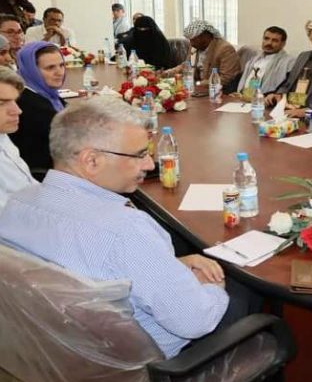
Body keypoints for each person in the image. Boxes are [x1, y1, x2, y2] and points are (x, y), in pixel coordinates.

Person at [0, 98, 230, 358]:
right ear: (92, 161)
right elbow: (196, 321)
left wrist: (169, 264)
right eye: (139, 154)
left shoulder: (17, 203)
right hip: (147, 360)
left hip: (53, 349)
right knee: (243, 291)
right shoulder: (124, 230)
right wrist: (214, 284)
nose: (149, 164)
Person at [9, 42, 66, 170]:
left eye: (61, 65)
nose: (60, 72)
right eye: (50, 68)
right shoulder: (30, 104)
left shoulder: (47, 94)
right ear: (31, 71)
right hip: (45, 172)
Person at [170, 19, 241, 94]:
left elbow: (226, 78)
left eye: (194, 40)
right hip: (198, 90)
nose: (191, 43)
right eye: (190, 40)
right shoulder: (195, 46)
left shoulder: (225, 49)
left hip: (219, 93)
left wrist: (198, 84)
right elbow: (187, 65)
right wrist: (167, 73)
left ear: (205, 36)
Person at [0, 67, 36, 209]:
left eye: (15, 101)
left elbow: (29, 184)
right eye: (2, 103)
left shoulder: (3, 136)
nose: (18, 111)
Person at [236, 26, 295, 95]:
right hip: (244, 97)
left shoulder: (289, 62)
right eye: (266, 39)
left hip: (267, 98)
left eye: (275, 40)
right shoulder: (254, 59)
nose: (269, 43)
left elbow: (286, 87)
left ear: (283, 44)